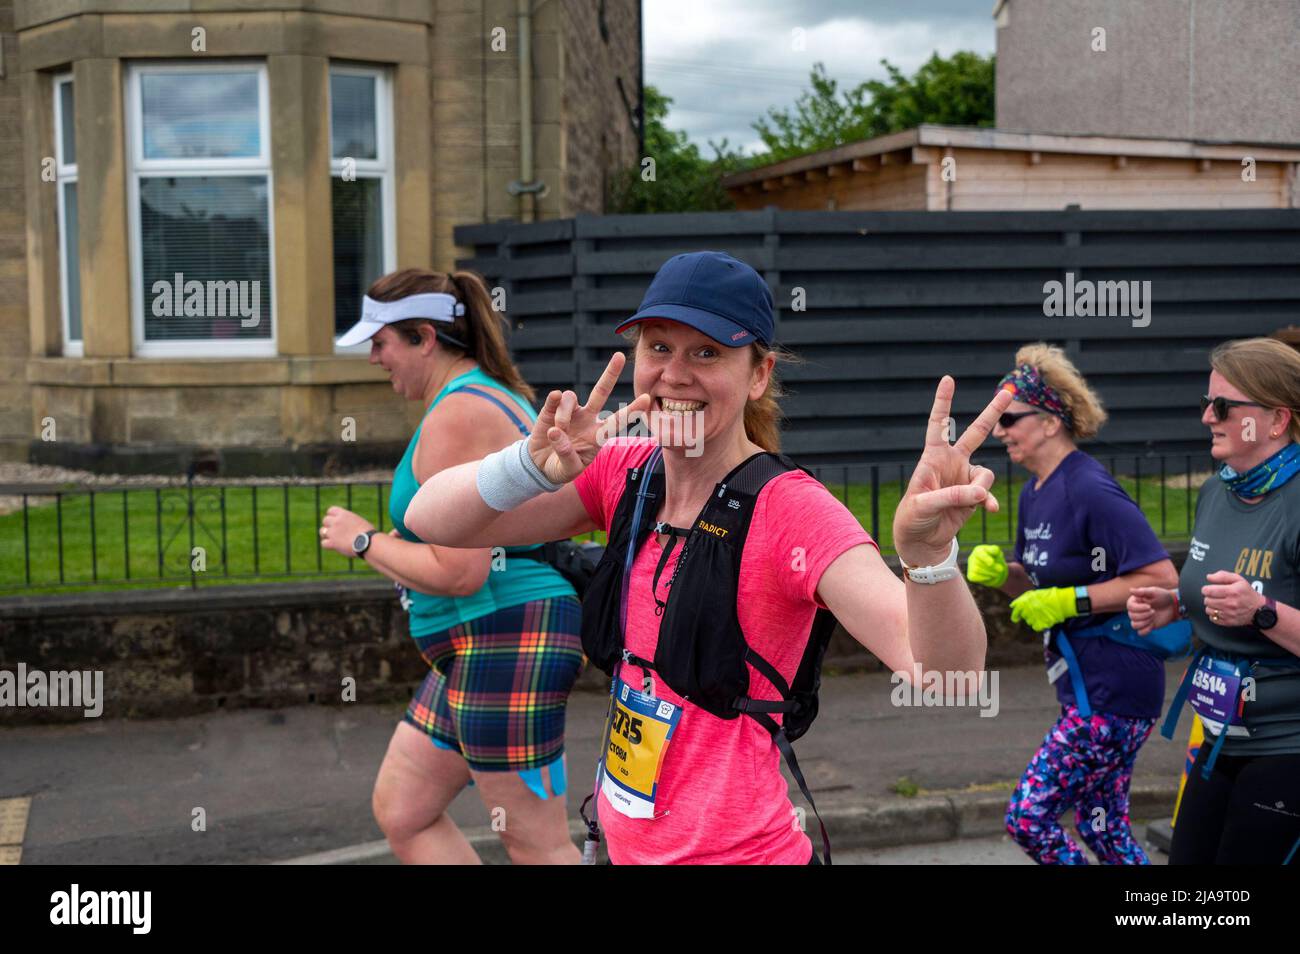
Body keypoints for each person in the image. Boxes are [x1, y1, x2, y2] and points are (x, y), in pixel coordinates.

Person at [404, 250, 1012, 864]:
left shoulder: (790, 512)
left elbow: (944, 677)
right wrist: (529, 469)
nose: (674, 374)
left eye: (707, 353)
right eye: (659, 348)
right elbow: (430, 519)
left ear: (757, 374)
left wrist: (929, 558)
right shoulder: (623, 473)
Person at [318, 268, 584, 864]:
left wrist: (363, 542)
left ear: (424, 338)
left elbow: (461, 571)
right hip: (479, 642)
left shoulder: (459, 412)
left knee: (537, 843)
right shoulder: (482, 392)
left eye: (380, 342)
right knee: (404, 809)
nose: (373, 358)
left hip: (504, 635)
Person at [965, 343, 1179, 864]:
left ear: (1050, 421)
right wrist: (1006, 577)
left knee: (1029, 818)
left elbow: (1160, 577)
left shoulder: (1090, 488)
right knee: (1102, 827)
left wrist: (1072, 599)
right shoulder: (1037, 490)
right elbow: (1041, 592)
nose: (999, 430)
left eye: (1010, 417)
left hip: (1115, 690)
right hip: (1086, 688)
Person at [1128, 336, 1300, 865]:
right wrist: (1176, 604)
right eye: (1207, 403)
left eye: (1223, 406)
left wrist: (1262, 612)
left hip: (1288, 744)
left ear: (1276, 420)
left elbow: (1257, 601)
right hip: (1221, 737)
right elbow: (1220, 587)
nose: (1207, 417)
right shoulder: (1216, 491)